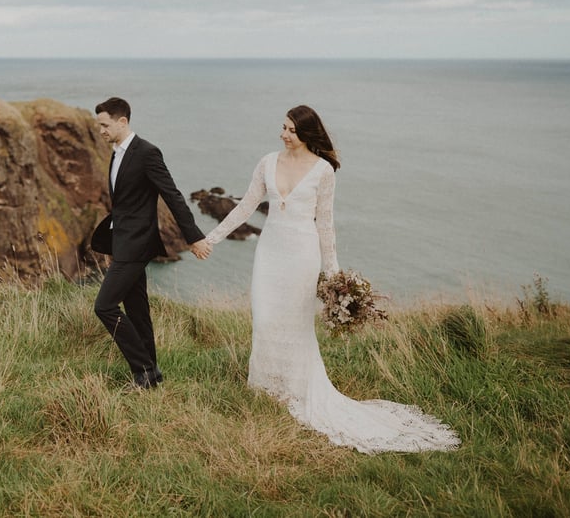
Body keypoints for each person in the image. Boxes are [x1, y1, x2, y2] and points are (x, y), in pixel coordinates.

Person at [204, 105, 460, 453]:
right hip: (270, 255)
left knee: (295, 325)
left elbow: (325, 224)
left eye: (291, 129)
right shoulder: (267, 162)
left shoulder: (324, 171)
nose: (284, 134)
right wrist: (212, 238)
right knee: (264, 320)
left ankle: (294, 390)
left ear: (307, 134)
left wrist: (334, 276)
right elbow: (245, 206)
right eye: (283, 127)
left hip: (301, 257)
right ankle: (265, 387)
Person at [90, 97, 211, 390]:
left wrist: (193, 236)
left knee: (104, 306)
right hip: (124, 244)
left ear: (123, 121)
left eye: (105, 125)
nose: (101, 131)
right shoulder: (116, 154)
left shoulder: (147, 153)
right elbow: (122, 206)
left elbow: (172, 195)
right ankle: (151, 375)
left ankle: (143, 369)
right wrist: (110, 247)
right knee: (137, 310)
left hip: (137, 245)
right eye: (99, 126)